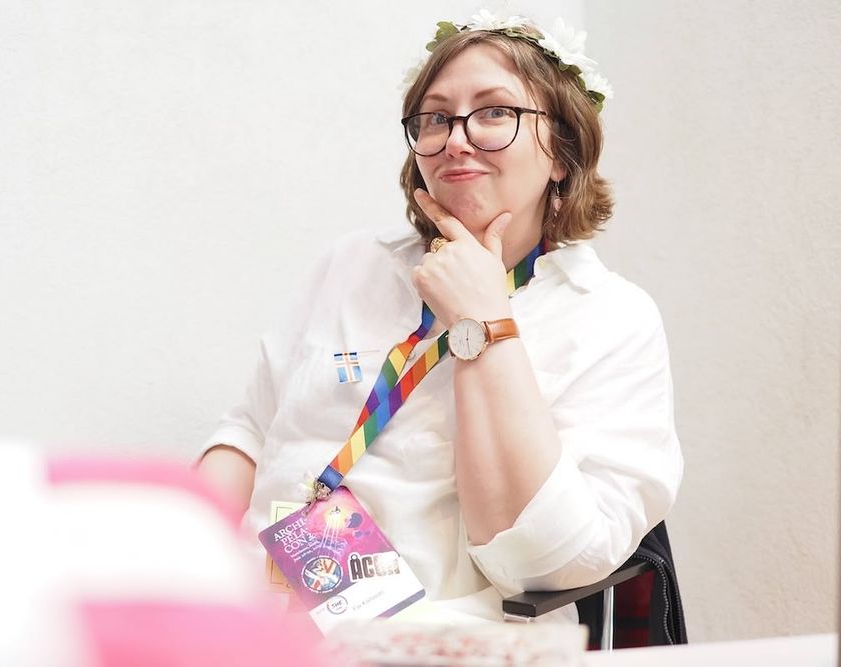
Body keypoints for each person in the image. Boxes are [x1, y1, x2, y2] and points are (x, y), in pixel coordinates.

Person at [197, 11, 683, 625]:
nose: (456, 138)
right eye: (436, 117)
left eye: (495, 112)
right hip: (251, 612)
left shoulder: (611, 318)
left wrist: (483, 319)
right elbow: (251, 429)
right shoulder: (352, 265)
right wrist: (175, 545)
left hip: (437, 637)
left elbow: (548, 561)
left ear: (561, 151)